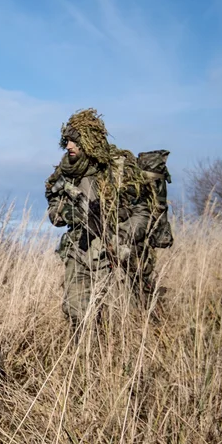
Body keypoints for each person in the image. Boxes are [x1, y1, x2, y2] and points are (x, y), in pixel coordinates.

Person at [45, 108, 155, 337]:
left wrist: (122, 237)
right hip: (79, 249)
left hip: (116, 248)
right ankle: (84, 356)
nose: (68, 146)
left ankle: (117, 360)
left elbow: (143, 211)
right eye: (66, 141)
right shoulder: (65, 173)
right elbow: (54, 212)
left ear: (89, 141)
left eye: (73, 141)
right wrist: (69, 213)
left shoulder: (119, 168)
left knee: (123, 312)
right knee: (76, 309)